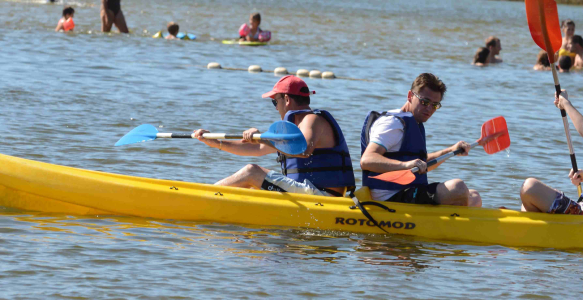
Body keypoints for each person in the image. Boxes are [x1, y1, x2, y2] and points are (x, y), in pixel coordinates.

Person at [192, 75, 354, 196]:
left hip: (323, 196)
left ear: (287, 99)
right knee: (252, 181)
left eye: (274, 102)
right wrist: (216, 143)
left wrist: (264, 137)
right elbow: (256, 149)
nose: (276, 108)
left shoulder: (312, 120)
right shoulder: (295, 126)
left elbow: (304, 151)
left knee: (251, 172)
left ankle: (202, 198)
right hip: (308, 192)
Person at [359, 73, 482, 207]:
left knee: (474, 196)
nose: (429, 109)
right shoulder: (393, 124)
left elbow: (422, 165)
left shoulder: (414, 123)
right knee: (458, 188)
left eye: (435, 105)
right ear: (410, 96)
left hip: (410, 192)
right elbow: (367, 160)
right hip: (390, 198)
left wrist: (451, 150)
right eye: (425, 102)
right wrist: (406, 165)